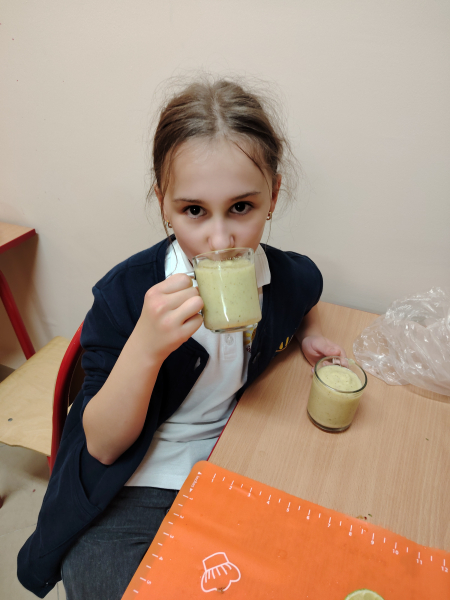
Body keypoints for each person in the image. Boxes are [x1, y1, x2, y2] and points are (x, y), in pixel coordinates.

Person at [18, 77, 346, 599]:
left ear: (273, 196)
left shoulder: (283, 277)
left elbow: (307, 295)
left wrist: (310, 333)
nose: (220, 239)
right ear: (164, 204)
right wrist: (146, 348)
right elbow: (101, 444)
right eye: (194, 211)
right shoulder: (125, 295)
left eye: (242, 207)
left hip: (236, 460)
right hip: (135, 481)